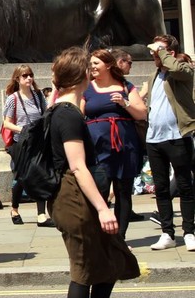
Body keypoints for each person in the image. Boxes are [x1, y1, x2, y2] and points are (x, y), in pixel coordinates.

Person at [47, 47, 139, 298]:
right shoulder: (68, 115)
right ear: (82, 76)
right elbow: (77, 166)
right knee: (84, 270)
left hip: (76, 196)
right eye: (89, 69)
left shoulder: (64, 111)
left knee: (109, 263)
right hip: (73, 199)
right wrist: (102, 209)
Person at [81, 49, 147, 241]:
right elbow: (78, 113)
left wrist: (125, 103)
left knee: (123, 191)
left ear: (108, 65)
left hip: (124, 145)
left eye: (96, 63)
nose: (92, 67)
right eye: (91, 63)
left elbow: (141, 113)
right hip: (97, 147)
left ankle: (120, 238)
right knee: (100, 189)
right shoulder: (87, 88)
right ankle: (101, 237)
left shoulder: (125, 86)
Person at [144, 35, 195, 251]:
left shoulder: (183, 70)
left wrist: (162, 52)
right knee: (162, 188)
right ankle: (167, 233)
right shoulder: (154, 74)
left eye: (160, 51)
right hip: (154, 139)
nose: (155, 54)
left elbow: (179, 70)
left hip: (177, 136)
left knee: (184, 185)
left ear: (170, 53)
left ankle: (190, 232)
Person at [1, 65, 53, 227]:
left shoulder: (38, 95)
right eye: (25, 76)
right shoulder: (13, 98)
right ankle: (14, 209)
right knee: (22, 178)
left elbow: (47, 112)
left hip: (38, 142)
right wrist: (23, 130)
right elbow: (6, 124)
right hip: (21, 144)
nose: (29, 78)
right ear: (18, 79)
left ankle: (41, 215)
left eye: (30, 75)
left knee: (40, 174)